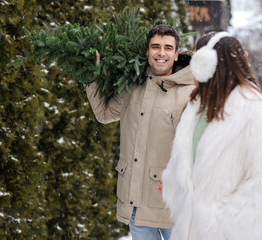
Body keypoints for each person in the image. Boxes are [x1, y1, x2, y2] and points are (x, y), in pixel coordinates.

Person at [161, 32, 262, 240]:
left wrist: (224, 226)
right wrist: (174, 183)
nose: (192, 66)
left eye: (196, 58)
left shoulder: (253, 107)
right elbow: (189, 161)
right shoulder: (197, 104)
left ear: (208, 63)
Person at [86, 24, 195, 240]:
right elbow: (104, 113)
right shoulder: (133, 86)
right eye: (155, 47)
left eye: (167, 48)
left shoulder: (191, 92)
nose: (161, 53)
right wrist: (92, 74)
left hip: (175, 208)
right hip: (137, 205)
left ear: (176, 54)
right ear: (147, 52)